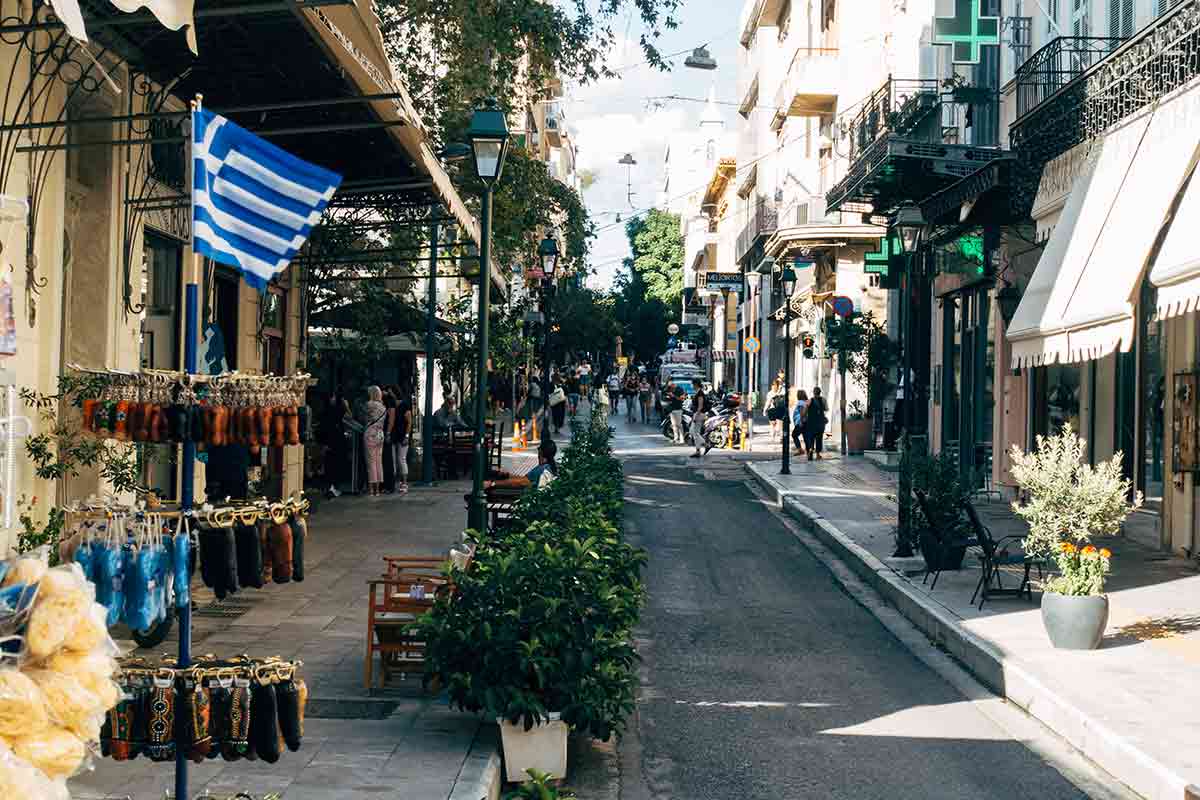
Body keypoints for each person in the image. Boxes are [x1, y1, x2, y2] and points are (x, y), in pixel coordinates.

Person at [485, 438, 558, 493]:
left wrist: (493, 483)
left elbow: (522, 482)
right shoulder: (550, 467)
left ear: (541, 452)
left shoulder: (542, 469)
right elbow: (525, 479)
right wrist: (508, 475)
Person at [322, 389, 350, 497]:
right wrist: (346, 405)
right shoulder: (337, 410)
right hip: (336, 441)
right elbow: (349, 416)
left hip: (330, 441)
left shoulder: (327, 411)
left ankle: (331, 487)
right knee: (335, 464)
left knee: (330, 464)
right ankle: (333, 487)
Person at [362, 385, 388, 497]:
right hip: (380, 434)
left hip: (370, 433)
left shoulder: (369, 405)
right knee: (378, 461)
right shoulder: (383, 407)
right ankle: (378, 489)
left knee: (371, 461)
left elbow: (363, 416)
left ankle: (371, 490)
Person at [393, 385, 413, 494]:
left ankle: (404, 482)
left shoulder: (404, 405)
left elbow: (409, 421)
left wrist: (406, 435)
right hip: (396, 435)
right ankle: (401, 482)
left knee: (401, 459)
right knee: (398, 460)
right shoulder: (393, 405)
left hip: (401, 436)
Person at [804, 386, 828, 461]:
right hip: (820, 422)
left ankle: (810, 450)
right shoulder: (823, 400)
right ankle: (817, 455)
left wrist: (803, 418)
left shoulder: (809, 401)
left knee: (811, 437)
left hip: (811, 422)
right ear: (820, 392)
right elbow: (826, 409)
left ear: (813, 392)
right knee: (819, 438)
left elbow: (805, 411)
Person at [381, 388, 397, 493]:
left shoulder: (390, 404)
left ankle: (388, 485)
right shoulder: (389, 403)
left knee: (386, 459)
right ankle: (387, 485)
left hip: (386, 433)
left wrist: (388, 433)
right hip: (385, 432)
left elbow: (391, 420)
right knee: (385, 459)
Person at [690, 378, 710, 458]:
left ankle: (706, 445)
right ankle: (698, 450)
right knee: (694, 432)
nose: (691, 386)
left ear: (695, 384)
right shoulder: (697, 392)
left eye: (692, 384)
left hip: (699, 414)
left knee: (694, 432)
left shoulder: (700, 394)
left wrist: (696, 415)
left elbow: (700, 406)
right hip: (698, 413)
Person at [667, 380, 685, 445]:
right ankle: (675, 438)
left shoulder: (680, 390)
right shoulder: (669, 389)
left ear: (673, 385)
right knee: (674, 425)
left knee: (679, 424)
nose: (671, 388)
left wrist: (673, 396)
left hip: (678, 408)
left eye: (671, 386)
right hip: (672, 409)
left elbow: (682, 398)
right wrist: (668, 397)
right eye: (670, 387)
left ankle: (682, 439)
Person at [550, 371, 567, 436]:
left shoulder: (551, 384)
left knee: (555, 415)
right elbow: (566, 393)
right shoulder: (562, 384)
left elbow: (548, 393)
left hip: (554, 402)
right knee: (560, 415)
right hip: (561, 402)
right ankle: (557, 427)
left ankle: (556, 427)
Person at [792, 389, 808, 456]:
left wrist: (801, 421)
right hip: (804, 421)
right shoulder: (805, 402)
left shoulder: (800, 402)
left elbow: (802, 412)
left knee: (794, 435)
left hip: (800, 422)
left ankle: (800, 450)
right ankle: (808, 450)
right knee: (805, 436)